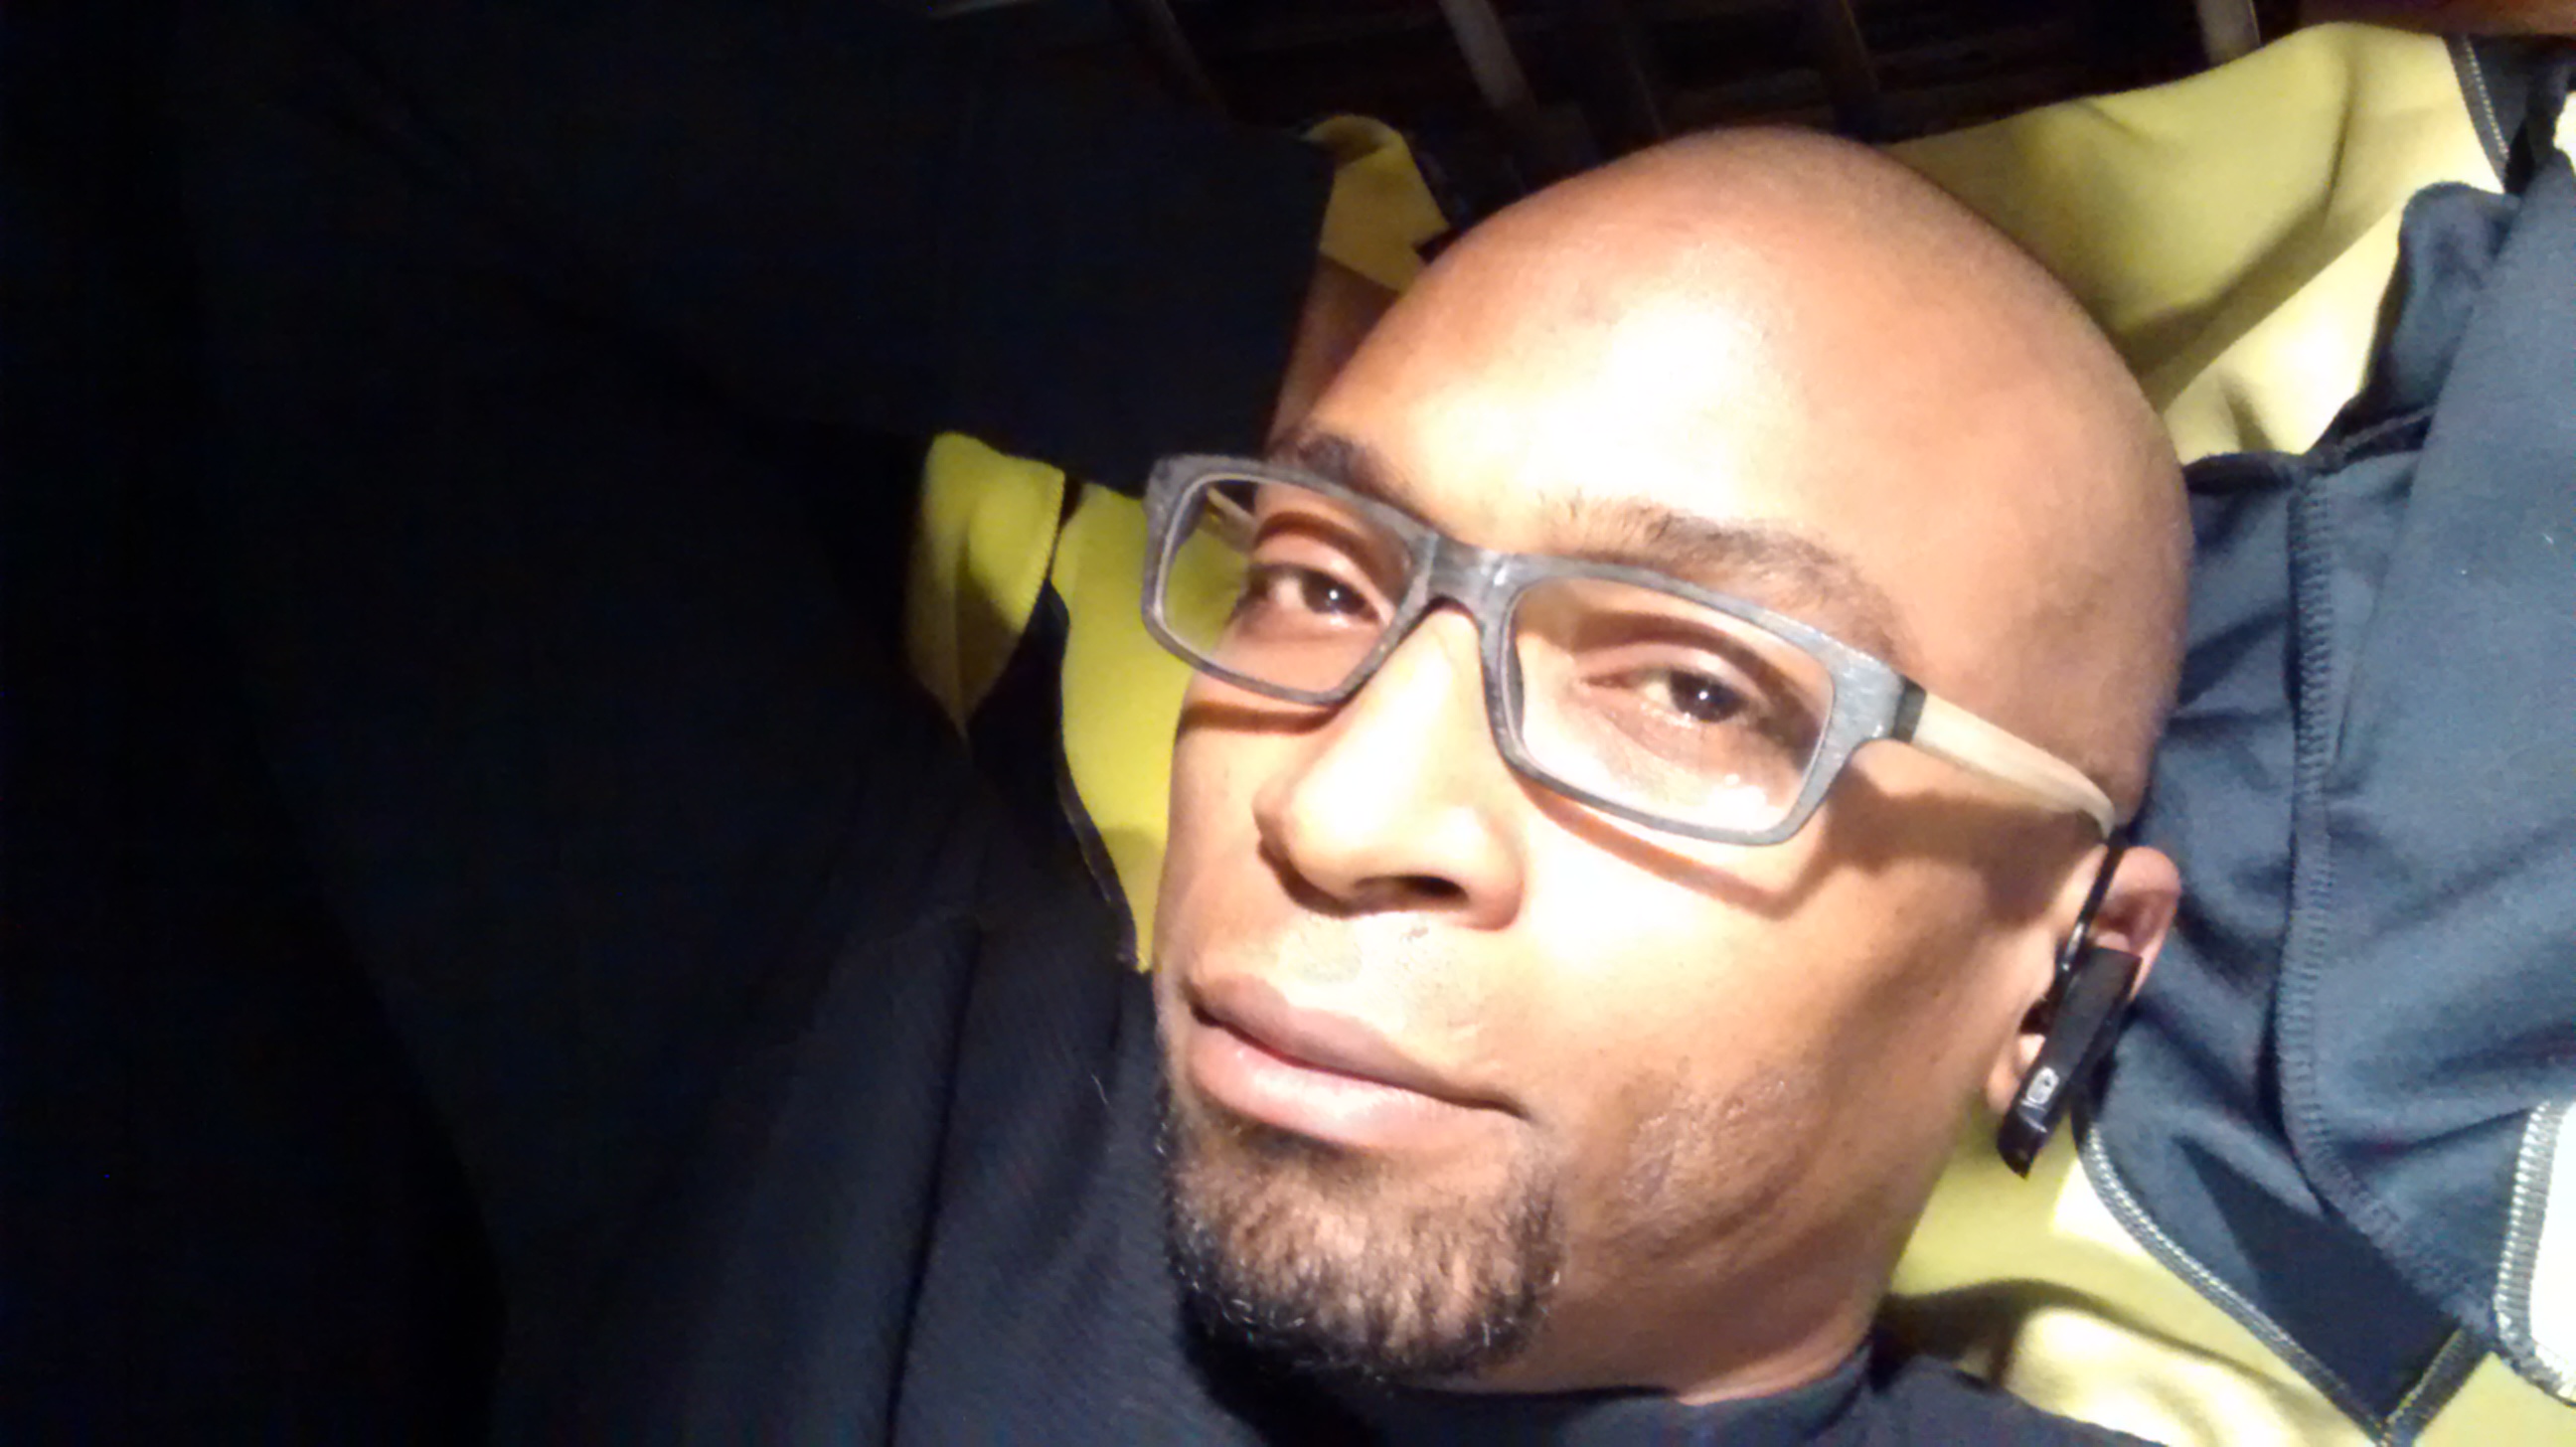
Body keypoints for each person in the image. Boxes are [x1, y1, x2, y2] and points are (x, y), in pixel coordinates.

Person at [149, 1, 2188, 1439]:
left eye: (1693, 686)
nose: (1343, 802)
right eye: (1319, 577)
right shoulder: (848, 1092)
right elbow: (356, 78)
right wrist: (1293, 348)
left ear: (2066, 968)